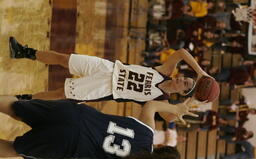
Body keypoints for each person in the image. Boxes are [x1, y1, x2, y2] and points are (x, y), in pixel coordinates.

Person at [0, 96, 197, 159]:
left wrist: (176, 109)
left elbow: (152, 104)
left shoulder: (147, 131)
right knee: (13, 148)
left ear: (161, 147)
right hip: (70, 143)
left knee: (16, 107)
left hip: (76, 113)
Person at [9, 37, 211, 103]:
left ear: (183, 93)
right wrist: (201, 73)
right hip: (108, 67)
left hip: (105, 88)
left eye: (186, 84)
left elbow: (171, 115)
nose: (182, 79)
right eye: (186, 78)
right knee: (64, 59)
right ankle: (24, 52)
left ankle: (25, 101)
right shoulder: (164, 70)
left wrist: (193, 100)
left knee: (61, 93)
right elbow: (183, 52)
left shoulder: (160, 100)